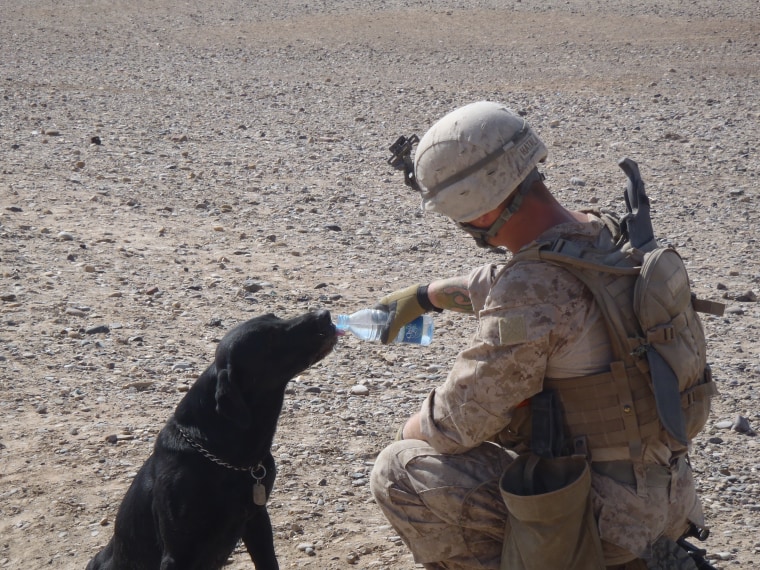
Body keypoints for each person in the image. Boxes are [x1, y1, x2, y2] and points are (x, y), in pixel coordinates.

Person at [369, 101, 711, 570]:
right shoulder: (609, 234)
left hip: (607, 517)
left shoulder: (532, 292)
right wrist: (426, 296)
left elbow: (456, 424)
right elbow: (531, 282)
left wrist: (410, 429)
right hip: (666, 494)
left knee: (398, 469)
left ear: (480, 206)